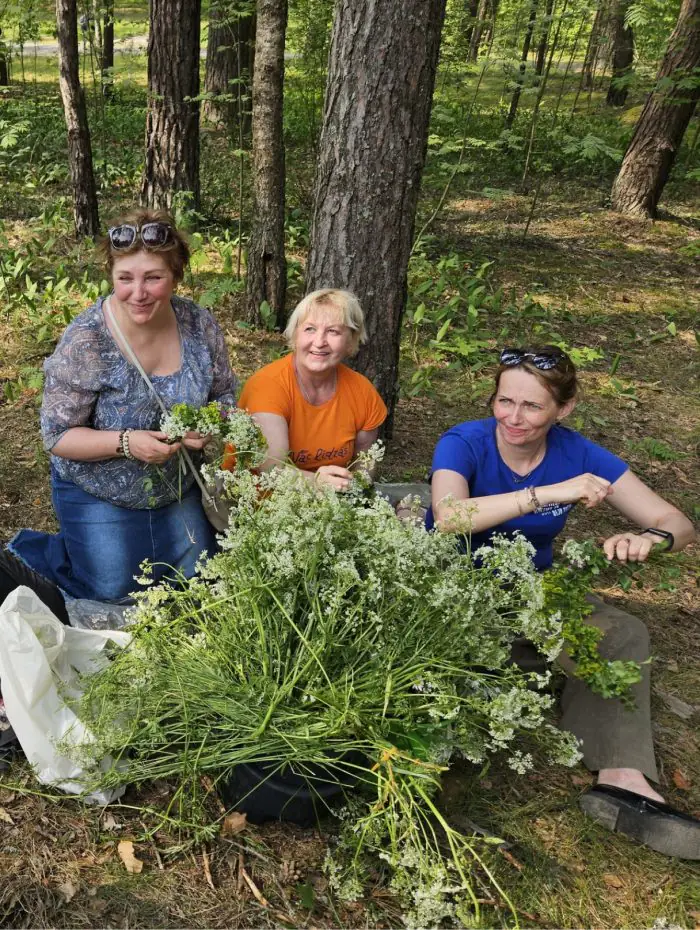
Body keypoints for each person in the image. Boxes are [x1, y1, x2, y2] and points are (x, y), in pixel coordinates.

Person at [427, 345, 698, 859]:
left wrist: (650, 539)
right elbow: (449, 517)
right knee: (454, 665)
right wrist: (547, 493)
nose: (513, 417)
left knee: (622, 634)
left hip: (533, 591)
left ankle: (622, 782)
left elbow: (679, 525)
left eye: (531, 406)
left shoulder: (578, 453)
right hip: (450, 591)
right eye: (504, 401)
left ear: (563, 408)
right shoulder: (464, 442)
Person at [3, 209, 238, 608]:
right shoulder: (87, 339)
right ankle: (27, 560)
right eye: (125, 278)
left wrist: (208, 426)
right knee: (113, 596)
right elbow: (57, 436)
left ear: (176, 275)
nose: (138, 292)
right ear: (111, 275)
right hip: (99, 490)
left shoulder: (198, 325)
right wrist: (128, 443)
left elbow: (225, 395)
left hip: (177, 486)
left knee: (196, 587)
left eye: (153, 278)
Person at [238, 289, 387, 489]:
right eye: (310, 329)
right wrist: (317, 482)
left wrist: (354, 489)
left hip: (331, 500)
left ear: (351, 340)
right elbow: (271, 470)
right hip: (256, 495)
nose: (319, 342)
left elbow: (364, 465)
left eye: (333, 331)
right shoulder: (267, 386)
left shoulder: (363, 392)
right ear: (295, 335)